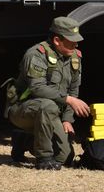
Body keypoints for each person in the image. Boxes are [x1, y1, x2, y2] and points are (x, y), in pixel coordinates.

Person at [7, 16, 91, 169]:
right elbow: (36, 88)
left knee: (65, 157)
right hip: (22, 110)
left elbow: (73, 89)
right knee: (47, 105)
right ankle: (43, 158)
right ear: (57, 40)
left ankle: (25, 139)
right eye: (71, 41)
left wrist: (67, 119)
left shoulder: (75, 57)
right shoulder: (36, 54)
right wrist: (69, 100)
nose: (76, 44)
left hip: (50, 114)